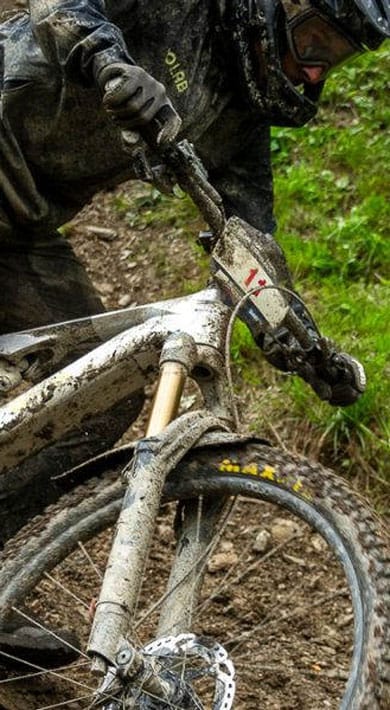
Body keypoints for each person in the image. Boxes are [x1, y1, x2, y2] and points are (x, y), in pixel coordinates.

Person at [0, 0, 388, 665]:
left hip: (21, 231)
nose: (316, 68)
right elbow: (56, 8)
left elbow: (251, 248)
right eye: (315, 38)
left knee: (102, 384)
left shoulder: (244, 119)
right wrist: (113, 60)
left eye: (337, 56)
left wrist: (301, 342)